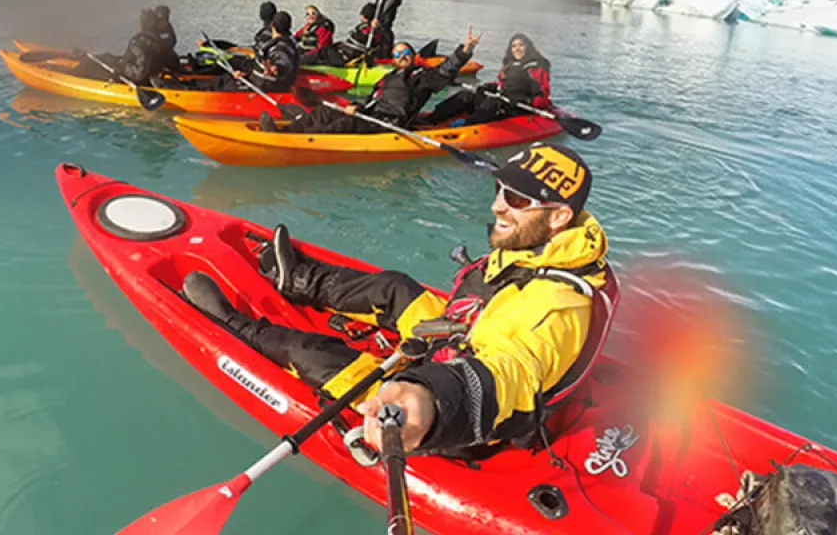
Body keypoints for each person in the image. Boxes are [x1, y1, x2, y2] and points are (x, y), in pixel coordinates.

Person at [181, 142, 616, 456]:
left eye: (517, 198)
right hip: (465, 334)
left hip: (464, 422)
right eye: (499, 189)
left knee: (315, 354)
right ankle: (294, 277)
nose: (498, 206)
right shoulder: (554, 242)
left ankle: (235, 327)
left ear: (558, 215)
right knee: (396, 288)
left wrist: (429, 394)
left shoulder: (558, 306)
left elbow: (512, 374)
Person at [261, 27, 479, 133]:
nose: (401, 57)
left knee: (346, 123)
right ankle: (286, 131)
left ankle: (295, 141)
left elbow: (445, 70)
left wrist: (464, 51)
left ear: (412, 58)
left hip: (390, 123)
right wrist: (356, 105)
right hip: (372, 114)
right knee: (325, 112)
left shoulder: (422, 77)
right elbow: (370, 98)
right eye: (397, 54)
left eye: (405, 54)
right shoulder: (387, 77)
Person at [419, 33, 552, 126]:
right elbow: (502, 85)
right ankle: (433, 118)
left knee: (493, 102)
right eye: (514, 46)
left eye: (521, 45)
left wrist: (525, 100)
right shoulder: (510, 64)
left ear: (528, 47)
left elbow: (543, 97)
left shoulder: (537, 67)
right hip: (503, 100)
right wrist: (489, 86)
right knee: (466, 95)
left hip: (517, 107)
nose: (517, 49)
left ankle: (468, 124)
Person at [196, 11, 300, 93]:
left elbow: (280, 65)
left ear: (273, 25)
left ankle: (191, 93)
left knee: (225, 85)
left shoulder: (281, 47)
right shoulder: (282, 42)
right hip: (258, 80)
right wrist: (245, 74)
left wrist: (274, 69)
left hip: (264, 87)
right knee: (225, 79)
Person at [301, 3, 386, 67]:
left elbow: (367, 35)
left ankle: (300, 63)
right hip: (345, 54)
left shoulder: (370, 30)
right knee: (331, 48)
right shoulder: (371, 29)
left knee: (323, 51)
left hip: (345, 59)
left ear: (363, 16)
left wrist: (373, 27)